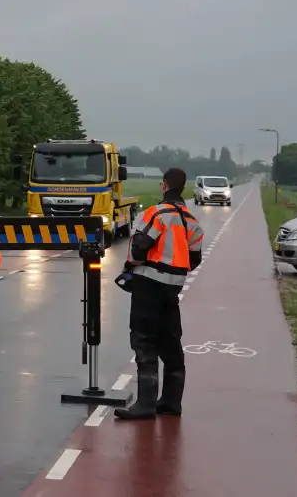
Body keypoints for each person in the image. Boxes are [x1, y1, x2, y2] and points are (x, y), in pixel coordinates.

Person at [114, 167, 204, 420]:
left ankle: (145, 404)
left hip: (148, 284)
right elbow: (194, 258)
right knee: (171, 341)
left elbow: (140, 245)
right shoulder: (192, 221)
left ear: (164, 186)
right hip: (172, 287)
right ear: (183, 188)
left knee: (144, 340)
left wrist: (130, 268)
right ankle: (172, 402)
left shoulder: (158, 213)